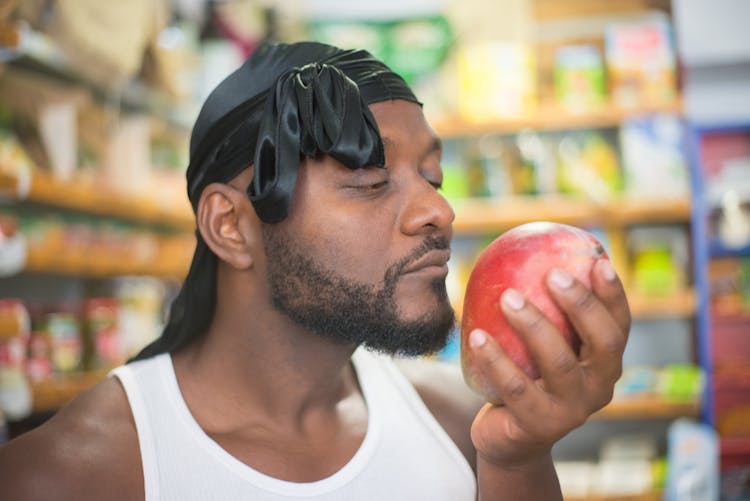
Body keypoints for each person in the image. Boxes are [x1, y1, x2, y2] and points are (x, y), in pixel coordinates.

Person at [0, 41, 629, 500]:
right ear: (230, 224)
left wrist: (517, 461)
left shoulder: (463, 428)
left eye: (432, 177)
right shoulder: (69, 476)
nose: (439, 210)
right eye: (371, 180)